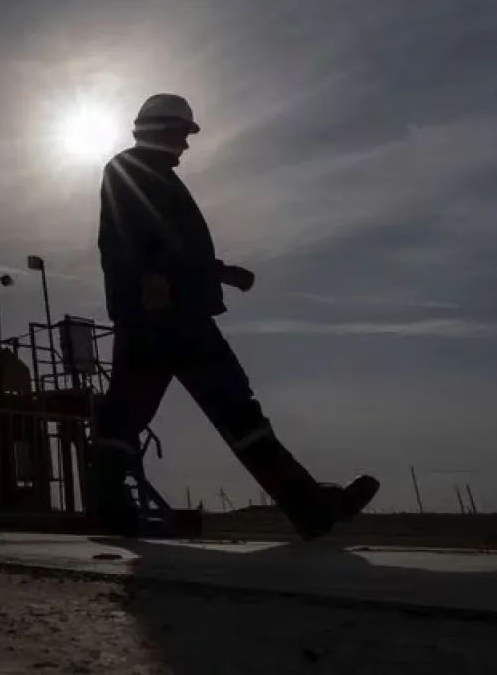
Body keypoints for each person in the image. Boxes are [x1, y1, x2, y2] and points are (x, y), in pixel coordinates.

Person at [92, 93, 379, 539]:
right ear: (162, 129)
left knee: (170, 411)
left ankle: (306, 505)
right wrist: (151, 276)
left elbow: (173, 244)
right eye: (183, 134)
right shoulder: (129, 169)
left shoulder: (158, 177)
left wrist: (220, 272)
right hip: (162, 316)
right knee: (176, 410)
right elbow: (133, 230)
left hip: (171, 314)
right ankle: (306, 504)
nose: (186, 145)